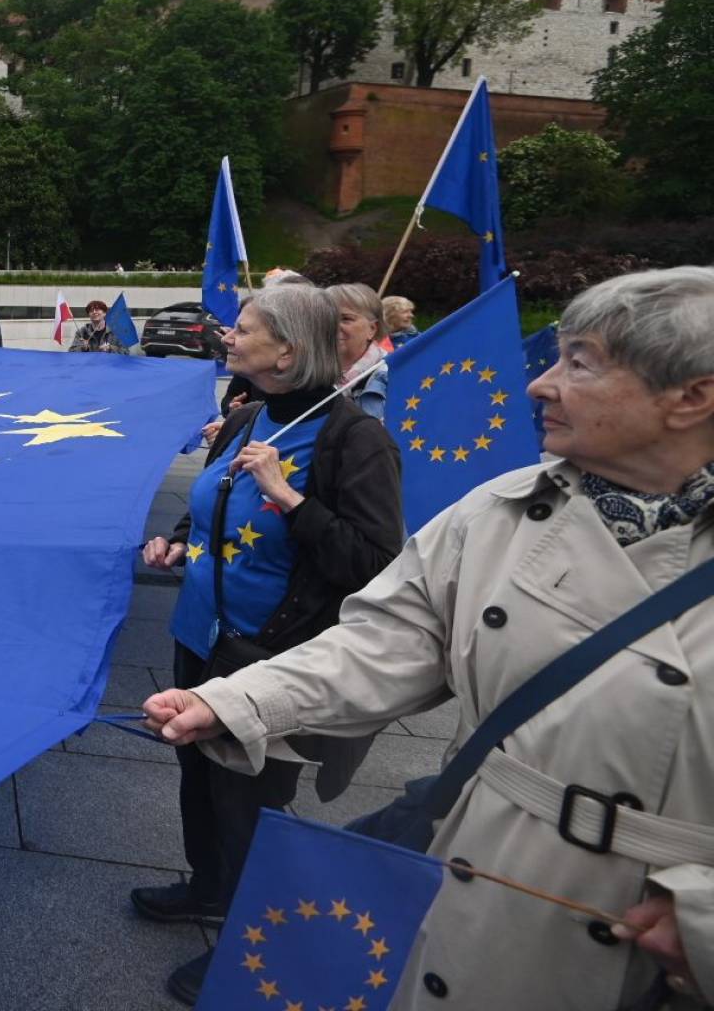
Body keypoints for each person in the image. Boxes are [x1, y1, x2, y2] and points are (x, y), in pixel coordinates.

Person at [143, 267, 714, 1010]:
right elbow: (386, 638)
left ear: (692, 397)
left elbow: (360, 557)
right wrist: (236, 701)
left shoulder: (357, 439)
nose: (540, 385)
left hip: (661, 940)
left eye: (580, 362)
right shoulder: (498, 513)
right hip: (489, 875)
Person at [133, 285, 404, 1005]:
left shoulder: (355, 440)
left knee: (250, 802)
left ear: (287, 350)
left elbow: (375, 566)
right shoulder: (246, 416)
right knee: (200, 778)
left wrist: (290, 498)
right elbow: (215, 507)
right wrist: (178, 542)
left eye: (244, 328)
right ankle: (208, 889)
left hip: (268, 655)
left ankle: (249, 948)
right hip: (200, 635)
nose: (228, 334)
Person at [328, 281, 390, 421]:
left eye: (346, 319)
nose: (333, 326)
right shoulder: (303, 375)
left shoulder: (392, 375)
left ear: (372, 329)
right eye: (327, 318)